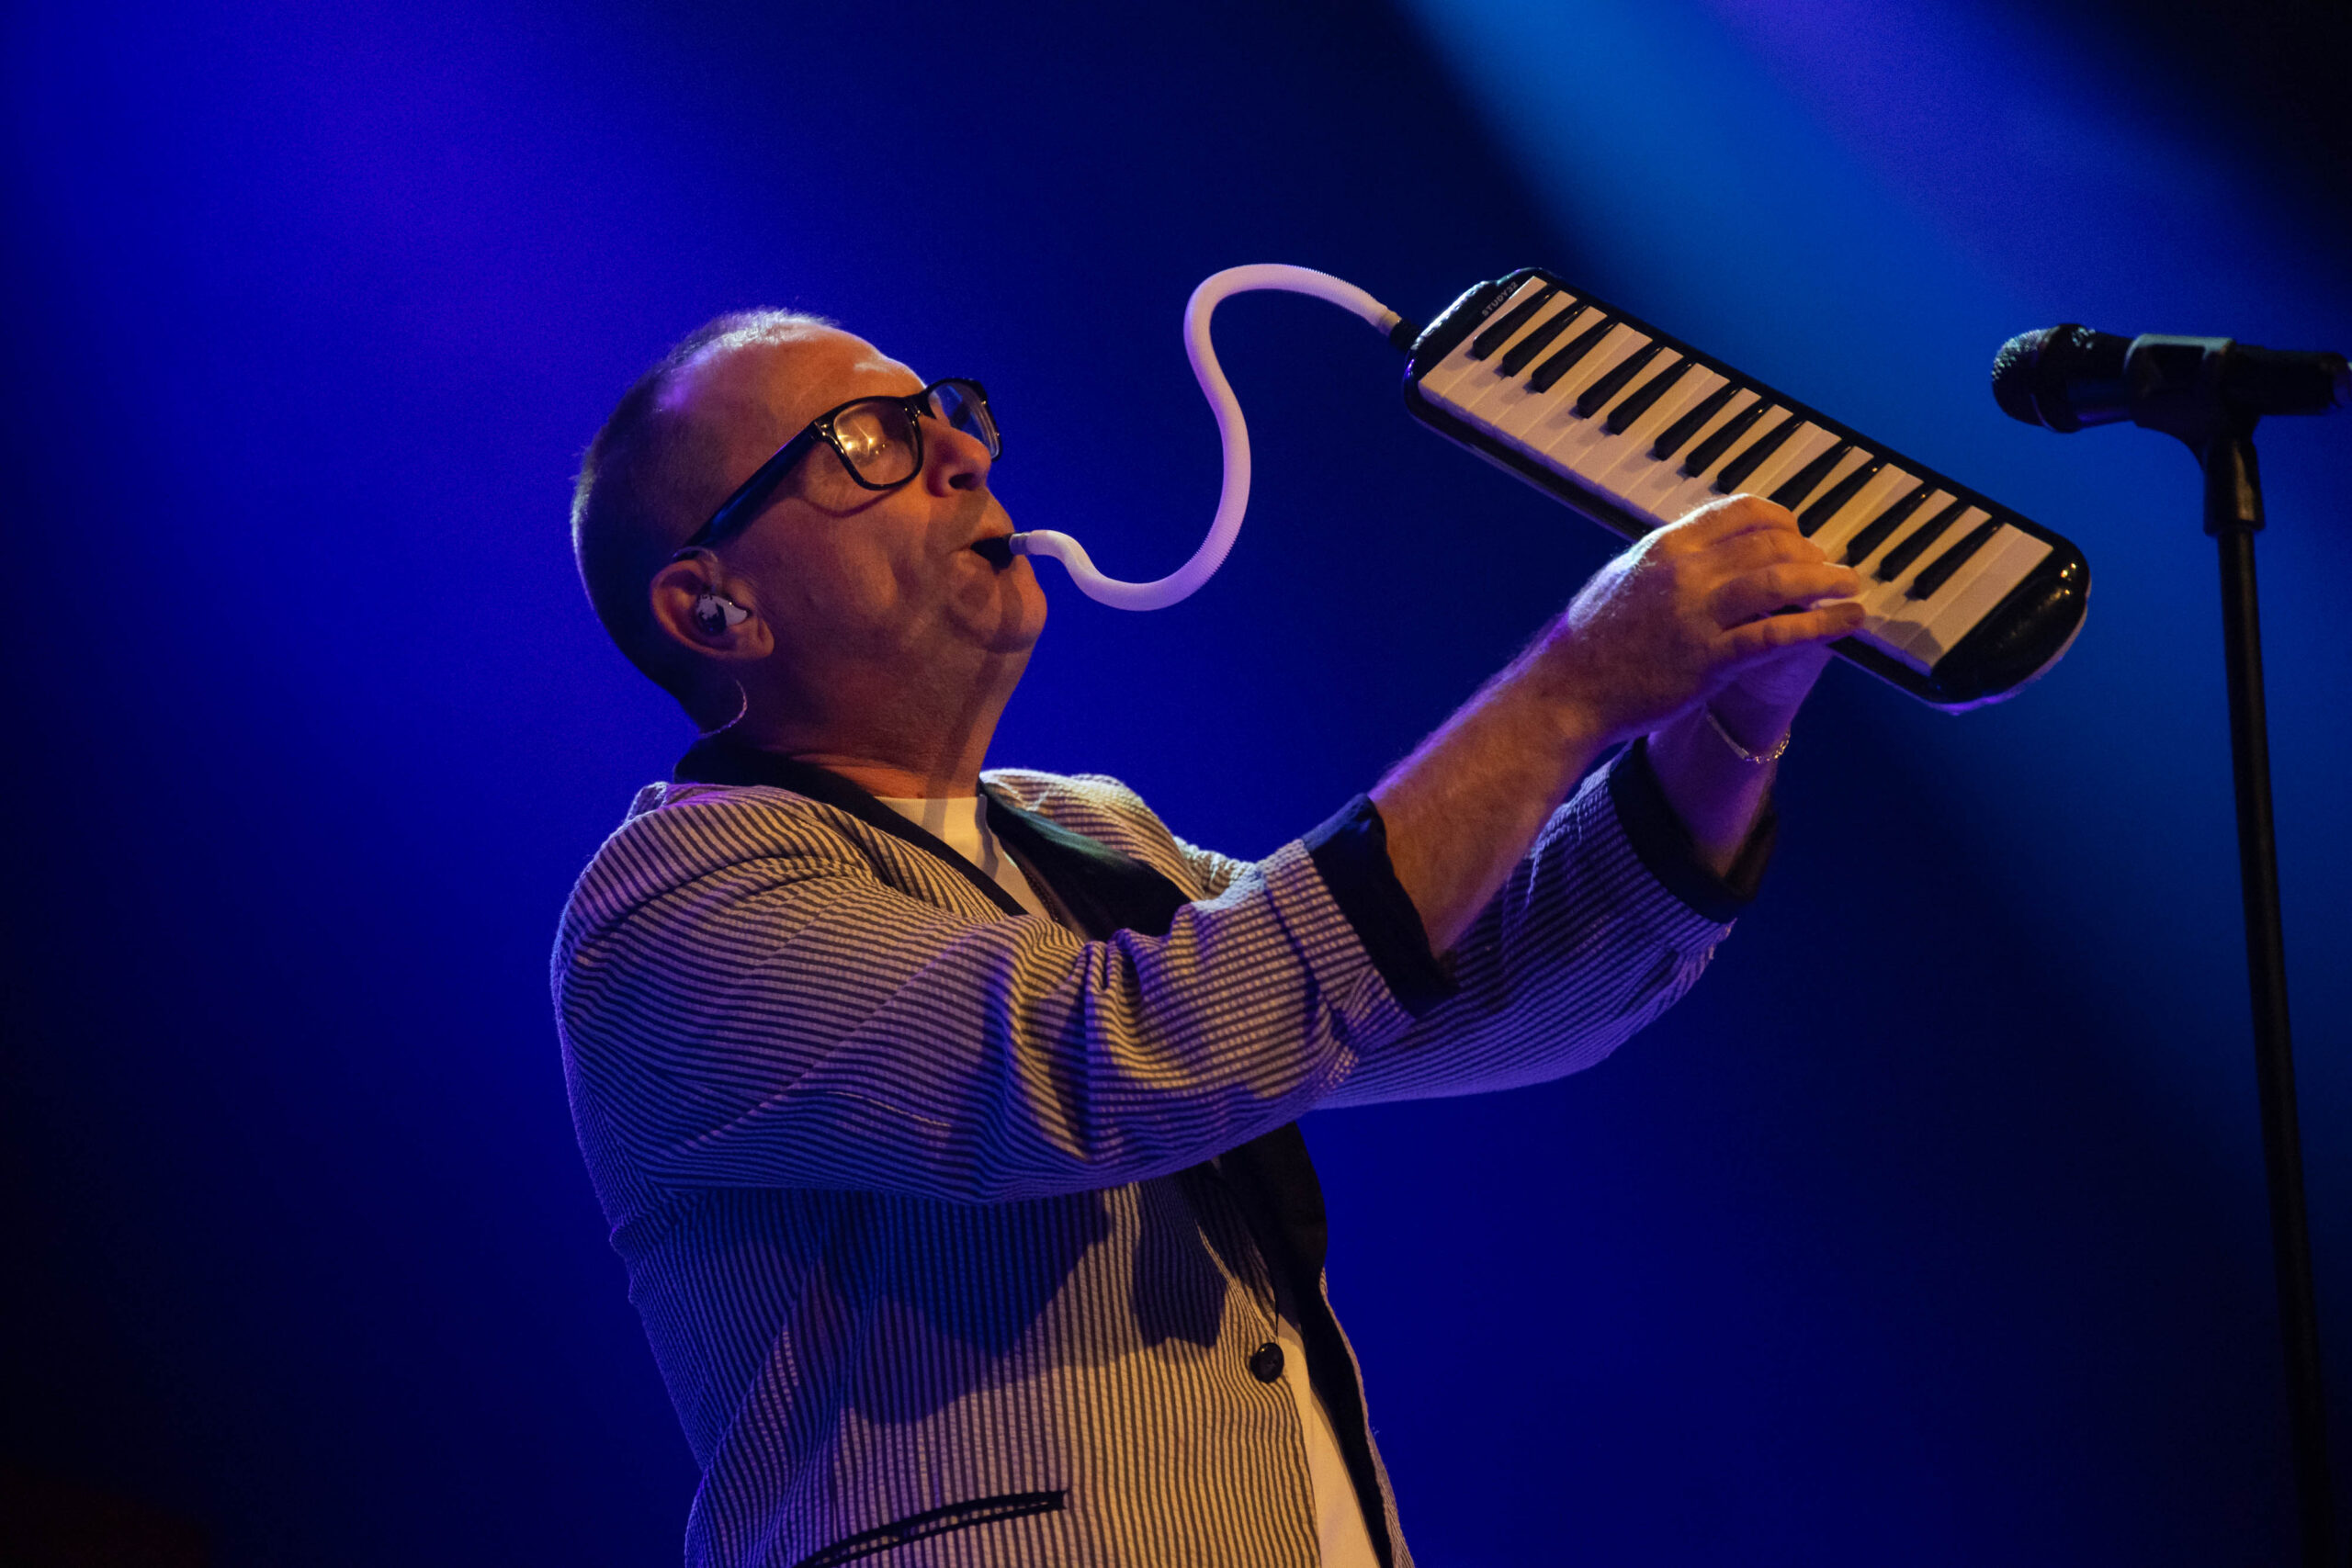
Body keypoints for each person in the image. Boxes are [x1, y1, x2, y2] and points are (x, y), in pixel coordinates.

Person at [553, 309, 1865, 1568]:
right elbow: (1112, 1058)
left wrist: (1734, 717)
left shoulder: (1090, 835)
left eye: (940, 413)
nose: (964, 451)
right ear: (713, 607)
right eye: (865, 442)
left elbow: (1466, 991)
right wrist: (1574, 681)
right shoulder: (677, 896)